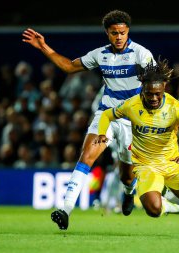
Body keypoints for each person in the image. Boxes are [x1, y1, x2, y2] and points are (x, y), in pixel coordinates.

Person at [22, 10, 155, 229]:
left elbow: (157, 81)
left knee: (127, 176)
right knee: (87, 156)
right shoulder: (99, 55)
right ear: (107, 33)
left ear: (128, 31)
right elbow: (68, 66)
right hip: (107, 116)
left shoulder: (141, 54)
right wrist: (43, 46)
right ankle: (65, 210)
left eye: (122, 32)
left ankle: (129, 192)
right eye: (114, 33)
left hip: (132, 122)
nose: (119, 37)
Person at [96, 58, 179, 217]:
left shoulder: (175, 107)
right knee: (153, 210)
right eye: (148, 94)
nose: (153, 98)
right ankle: (165, 205)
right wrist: (102, 133)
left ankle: (164, 192)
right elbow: (106, 115)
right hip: (145, 165)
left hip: (170, 161)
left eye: (157, 94)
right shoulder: (131, 105)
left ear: (164, 88)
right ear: (142, 89)